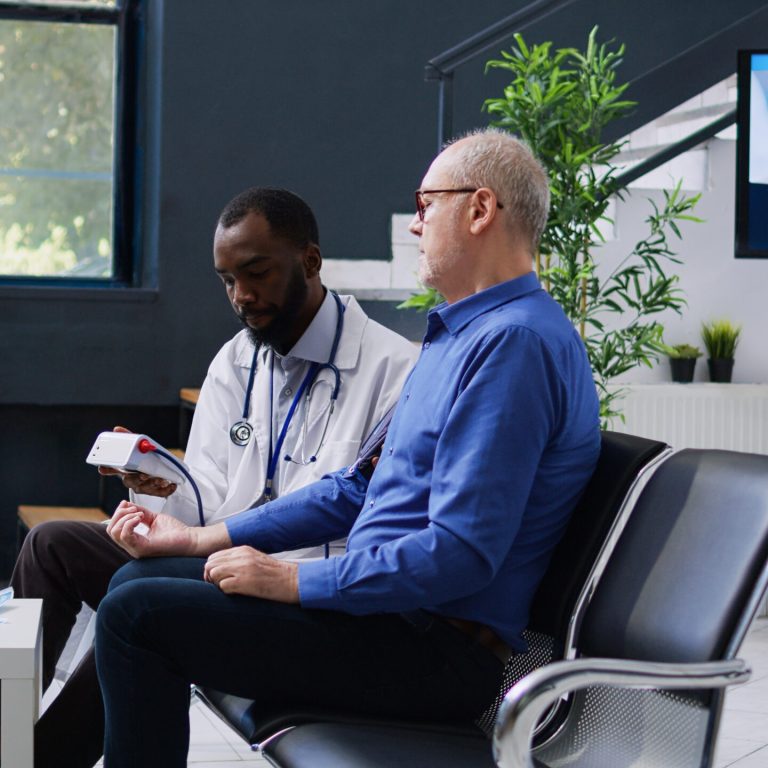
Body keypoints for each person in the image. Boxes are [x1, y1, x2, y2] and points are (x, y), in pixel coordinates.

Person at [96, 128, 601, 767]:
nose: (415, 225)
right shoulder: (461, 335)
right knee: (139, 577)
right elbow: (359, 489)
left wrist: (292, 580)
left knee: (137, 615)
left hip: (428, 648)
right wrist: (198, 540)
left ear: (479, 209)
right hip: (386, 622)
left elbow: (462, 553)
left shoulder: (513, 345)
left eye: (425, 204)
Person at [10, 187, 418, 768]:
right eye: (227, 281)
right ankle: (10, 732)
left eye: (256, 274)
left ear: (309, 261)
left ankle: (34, 759)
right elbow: (203, 491)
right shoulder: (236, 359)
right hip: (213, 563)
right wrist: (160, 488)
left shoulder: (393, 369)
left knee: (136, 610)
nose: (242, 297)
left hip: (293, 593)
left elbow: (366, 522)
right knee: (51, 544)